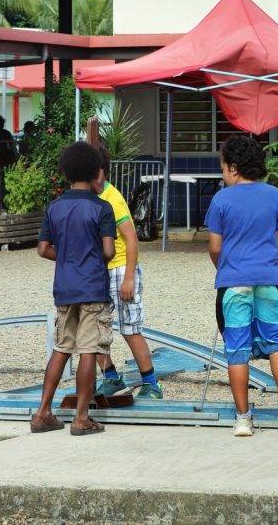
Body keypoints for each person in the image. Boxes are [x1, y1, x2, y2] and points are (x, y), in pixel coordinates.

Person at [205, 135, 278, 437]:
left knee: (237, 349)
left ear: (233, 168)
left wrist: (224, 268)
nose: (223, 174)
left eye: (223, 168)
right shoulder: (274, 195)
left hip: (233, 283)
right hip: (267, 280)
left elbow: (215, 247)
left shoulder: (221, 199)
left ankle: (242, 418)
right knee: (277, 342)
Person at [31, 142, 117, 436]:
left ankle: (42, 412)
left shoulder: (55, 207)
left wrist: (67, 256)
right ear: (96, 173)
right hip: (93, 287)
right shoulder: (101, 208)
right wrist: (88, 256)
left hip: (65, 288)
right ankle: (81, 418)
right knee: (89, 350)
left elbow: (43, 249)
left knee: (61, 348)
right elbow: (107, 251)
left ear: (65, 172)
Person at [93, 146, 163, 400]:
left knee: (130, 329)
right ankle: (111, 377)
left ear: (99, 173)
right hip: (102, 271)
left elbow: (131, 238)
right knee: (94, 328)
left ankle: (151, 383)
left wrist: (129, 276)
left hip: (121, 268)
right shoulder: (92, 196)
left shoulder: (113, 198)